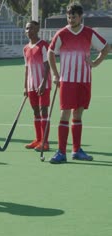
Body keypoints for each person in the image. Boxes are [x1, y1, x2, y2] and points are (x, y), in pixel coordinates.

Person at [48, 2, 109, 164]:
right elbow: (51, 53)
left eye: (73, 16)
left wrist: (95, 63)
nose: (70, 19)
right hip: (67, 81)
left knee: (78, 115)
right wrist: (55, 74)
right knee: (64, 114)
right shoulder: (61, 34)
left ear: (80, 17)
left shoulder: (89, 33)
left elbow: (105, 48)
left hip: (84, 80)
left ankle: (76, 150)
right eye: (68, 16)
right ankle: (61, 151)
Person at [23, 20, 51, 152]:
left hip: (43, 85)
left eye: (31, 28)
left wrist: (43, 83)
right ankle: (38, 139)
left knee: (43, 111)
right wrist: (25, 87)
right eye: (27, 29)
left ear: (37, 29)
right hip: (31, 85)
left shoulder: (43, 45)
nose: (29, 31)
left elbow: (47, 66)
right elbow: (26, 68)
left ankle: (45, 142)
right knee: (35, 112)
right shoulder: (26, 48)